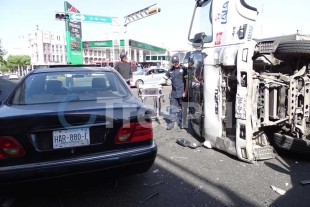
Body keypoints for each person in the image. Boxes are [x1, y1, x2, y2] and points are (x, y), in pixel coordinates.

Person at [158, 55, 188, 130]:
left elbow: (187, 81)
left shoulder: (183, 69)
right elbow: (164, 79)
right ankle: (171, 123)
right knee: (172, 109)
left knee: (183, 109)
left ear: (179, 62)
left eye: (177, 62)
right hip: (174, 94)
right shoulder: (170, 71)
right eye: (174, 62)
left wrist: (186, 91)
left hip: (182, 93)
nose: (176, 63)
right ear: (172, 63)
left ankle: (183, 123)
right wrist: (157, 84)